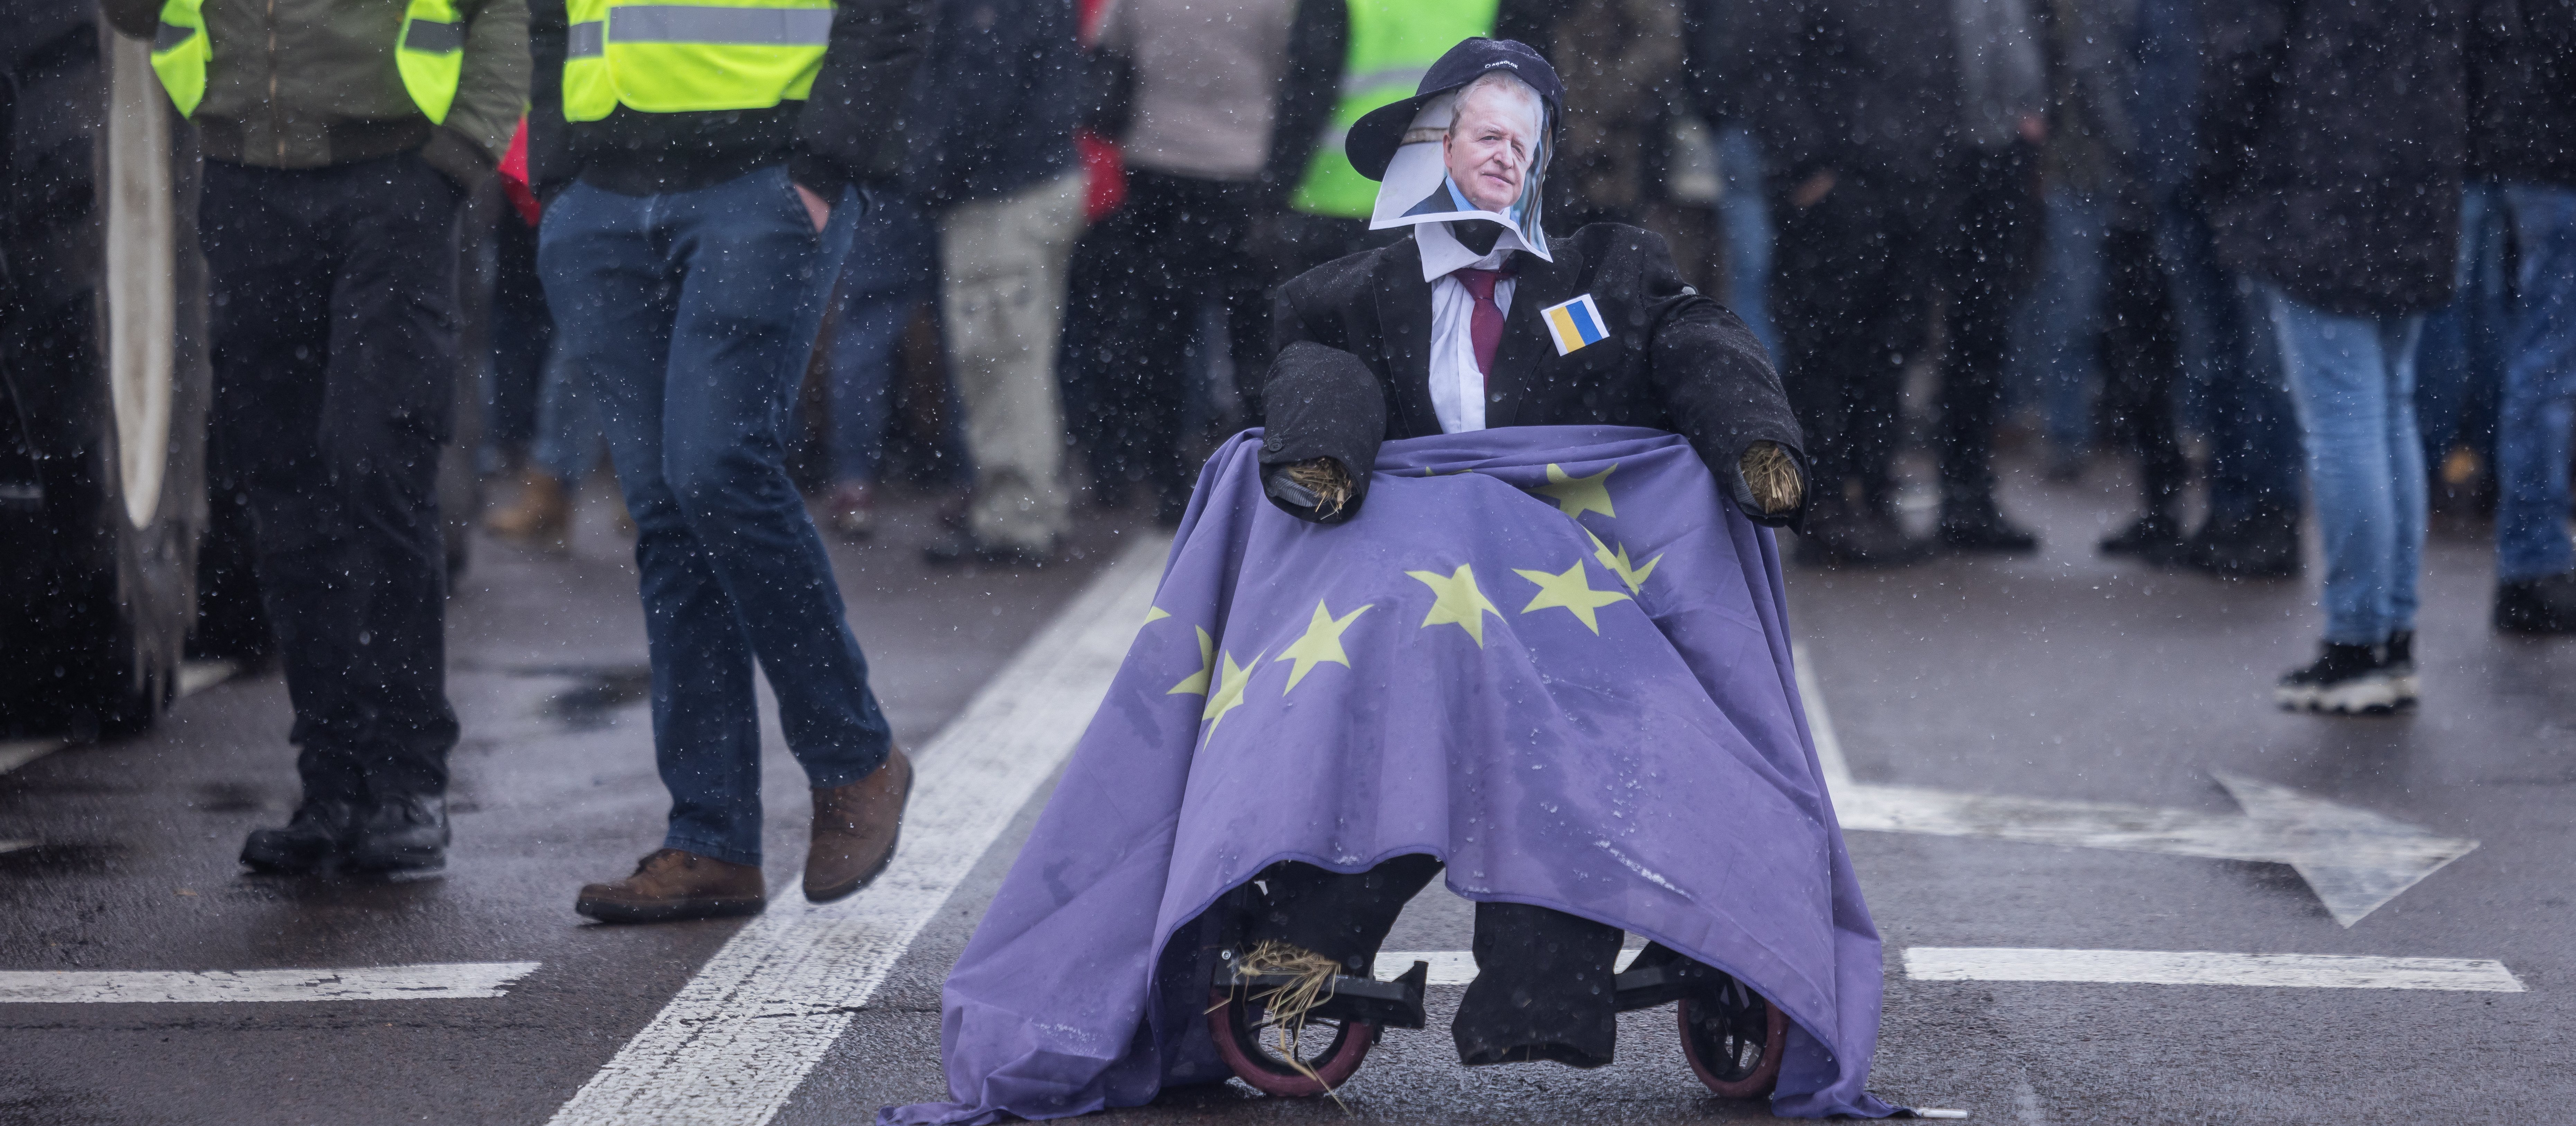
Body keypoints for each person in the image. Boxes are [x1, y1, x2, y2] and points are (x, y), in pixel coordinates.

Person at [1249, 38, 1807, 1065]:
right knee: (1390, 769)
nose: (1508, 156)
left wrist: (1753, 439)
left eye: (1526, 140)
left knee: (1564, 762)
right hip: (1423, 614)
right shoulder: (1342, 294)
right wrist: (1323, 453)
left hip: (1570, 616)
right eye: (1485, 134)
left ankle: (1543, 1000)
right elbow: (1320, 377)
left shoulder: (1612, 268)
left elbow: (1696, 339)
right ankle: (1302, 951)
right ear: (1428, 143)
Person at [526, 0, 926, 920]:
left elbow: (889, 17)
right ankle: (710, 839)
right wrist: (561, 174)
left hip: (758, 178)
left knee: (715, 470)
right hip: (604, 194)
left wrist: (822, 167)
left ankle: (854, 757)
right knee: (667, 512)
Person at [107, 0, 526, 874]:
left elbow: (499, 13)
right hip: (246, 183)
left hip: (394, 182)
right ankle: (330, 785)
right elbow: (133, 14)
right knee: (282, 486)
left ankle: (409, 784)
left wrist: (455, 159)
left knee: (377, 466)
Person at [2199, 0, 2466, 712]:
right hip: (2416, 177)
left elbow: (2239, 59)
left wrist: (2224, 164)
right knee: (2387, 409)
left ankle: (2355, 642)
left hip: (2319, 177)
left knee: (2344, 420)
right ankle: (2391, 636)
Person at [1739, 0, 2048, 566]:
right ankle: (1827, 507)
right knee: (1825, 349)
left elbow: (1935, 68)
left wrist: (1933, 170)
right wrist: (1808, 172)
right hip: (1840, 188)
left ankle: (1872, 498)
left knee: (1888, 348)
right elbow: (1767, 65)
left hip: (1910, 185)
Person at [1071, 0, 1340, 521]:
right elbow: (1294, 65)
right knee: (1254, 340)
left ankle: (1170, 484)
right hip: (1244, 171)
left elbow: (1109, 48)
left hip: (1156, 167)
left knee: (1161, 339)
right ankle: (1264, 476)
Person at [2123, 0, 2304, 577]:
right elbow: (2146, 63)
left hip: (2243, 181)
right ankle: (2230, 509)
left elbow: (2260, 62)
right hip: (2186, 175)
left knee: (2260, 358)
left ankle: (2270, 513)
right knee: (2217, 357)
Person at [907, 0, 1091, 565]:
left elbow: (979, 88)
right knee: (1018, 359)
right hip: (1031, 177)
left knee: (999, 362)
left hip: (1001, 193)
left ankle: (1018, 517)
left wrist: (929, 171)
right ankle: (1033, 505)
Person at [2464, 0, 2576, 634]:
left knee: (2537, 360)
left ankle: (2530, 558)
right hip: (2553, 159)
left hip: (2530, 152)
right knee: (2546, 368)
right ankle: (2532, 561)